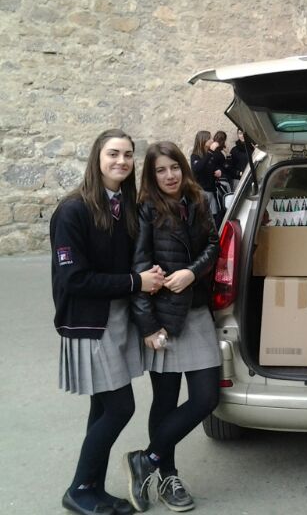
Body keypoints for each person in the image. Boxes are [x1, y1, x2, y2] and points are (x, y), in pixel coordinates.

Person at [50, 129, 163, 515]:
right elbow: (74, 278)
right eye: (113, 153)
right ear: (97, 158)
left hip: (116, 319)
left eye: (128, 155)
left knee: (102, 409)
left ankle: (91, 487)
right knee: (119, 408)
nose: (122, 161)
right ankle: (78, 488)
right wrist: (136, 282)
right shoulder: (73, 210)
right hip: (89, 322)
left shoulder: (124, 205)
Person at [125, 141, 221, 512]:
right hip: (162, 316)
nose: (169, 175)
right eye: (160, 170)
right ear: (151, 175)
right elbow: (138, 268)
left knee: (205, 398)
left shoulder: (198, 201)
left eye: (174, 167)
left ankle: (145, 460)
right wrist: (148, 327)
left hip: (195, 311)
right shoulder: (146, 209)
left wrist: (191, 272)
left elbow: (212, 244)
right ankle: (168, 476)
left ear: (184, 167)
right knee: (164, 401)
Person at [190, 130, 223, 225]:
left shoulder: (210, 154)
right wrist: (210, 152)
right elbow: (198, 168)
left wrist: (220, 170)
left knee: (215, 217)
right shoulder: (195, 156)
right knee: (206, 220)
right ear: (203, 141)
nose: (212, 140)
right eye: (210, 138)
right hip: (202, 192)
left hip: (212, 191)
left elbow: (219, 164)